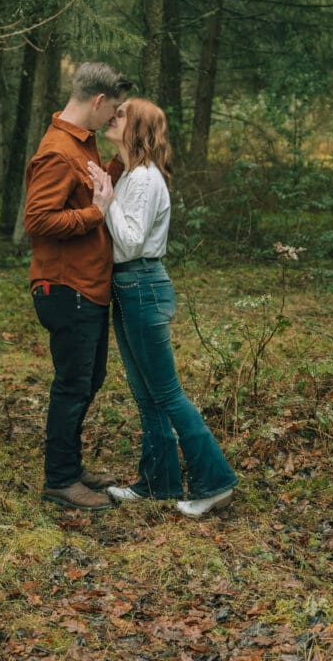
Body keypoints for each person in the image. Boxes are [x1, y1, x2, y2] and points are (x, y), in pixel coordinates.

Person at [88, 98, 238, 518]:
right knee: (147, 393)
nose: (112, 119)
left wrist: (106, 199)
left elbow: (131, 241)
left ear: (136, 130)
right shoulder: (134, 176)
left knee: (167, 393)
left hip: (141, 283)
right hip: (130, 285)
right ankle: (158, 483)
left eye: (121, 116)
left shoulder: (143, 179)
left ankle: (216, 482)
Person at [24, 61, 134, 510]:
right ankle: (60, 481)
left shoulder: (81, 144)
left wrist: (121, 163)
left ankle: (70, 466)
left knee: (90, 379)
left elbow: (93, 188)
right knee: (73, 383)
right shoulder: (57, 151)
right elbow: (38, 220)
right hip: (65, 288)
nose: (113, 120)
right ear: (98, 100)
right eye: (113, 112)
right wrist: (96, 212)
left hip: (88, 285)